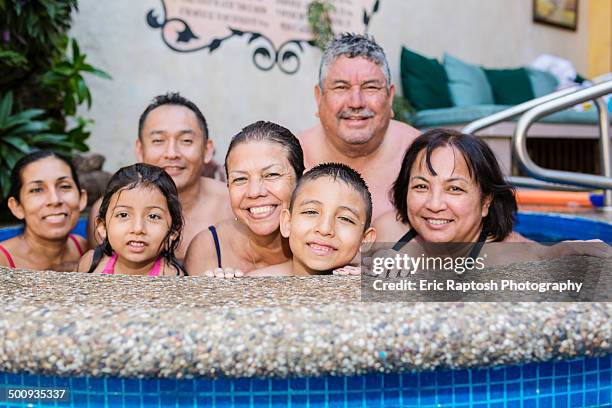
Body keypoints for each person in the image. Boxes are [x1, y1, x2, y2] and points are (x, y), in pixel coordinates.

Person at [374, 128, 612, 263]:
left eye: (454, 188)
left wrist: (557, 253)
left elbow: (541, 255)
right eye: (421, 187)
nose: (434, 204)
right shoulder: (388, 231)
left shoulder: (505, 259)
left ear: (485, 201)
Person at [87, 92, 233, 260]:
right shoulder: (110, 211)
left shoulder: (231, 205)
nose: (171, 153)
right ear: (140, 150)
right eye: (158, 141)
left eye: (186, 140)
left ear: (207, 150)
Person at [298, 33, 420, 221]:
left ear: (390, 98)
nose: (356, 102)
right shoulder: (292, 160)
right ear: (319, 97)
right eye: (341, 87)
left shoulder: (422, 156)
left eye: (370, 87)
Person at [185, 121, 304, 276]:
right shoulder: (209, 248)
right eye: (240, 179)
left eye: (272, 175)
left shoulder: (324, 236)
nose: (254, 192)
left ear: (301, 180)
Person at [249, 163, 376, 276]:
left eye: (345, 219)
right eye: (311, 212)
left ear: (365, 240)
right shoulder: (253, 284)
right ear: (287, 223)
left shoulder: (373, 285)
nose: (325, 229)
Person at [77, 163, 186, 276]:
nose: (138, 228)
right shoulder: (91, 264)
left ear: (173, 230)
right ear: (102, 226)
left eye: (153, 216)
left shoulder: (171, 277)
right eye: (123, 215)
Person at [0, 151, 87, 271]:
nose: (55, 200)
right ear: (17, 207)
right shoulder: (3, 261)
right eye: (36, 190)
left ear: (81, 199)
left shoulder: (84, 249)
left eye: (64, 186)